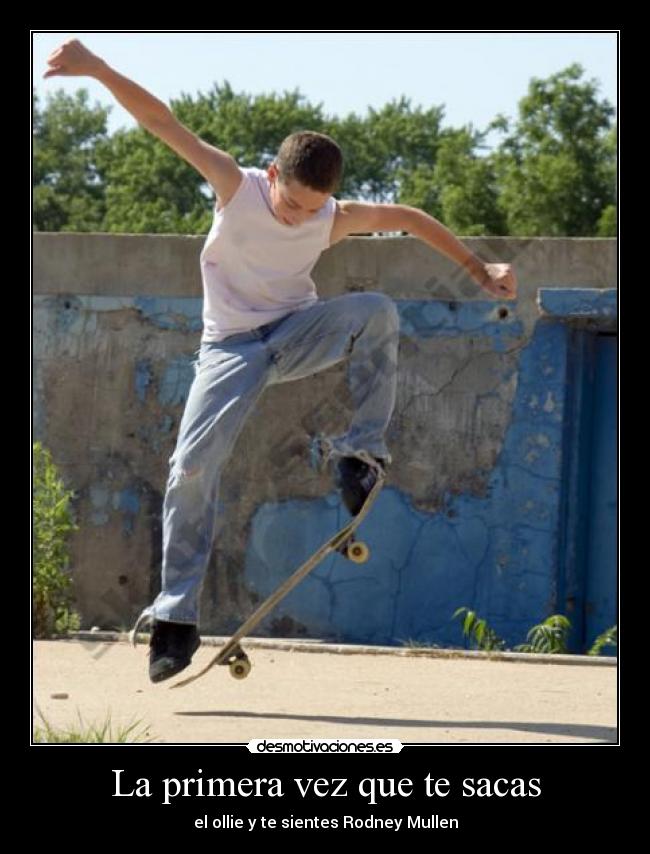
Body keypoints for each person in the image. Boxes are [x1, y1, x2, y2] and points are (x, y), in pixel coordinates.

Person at [44, 39, 518, 682]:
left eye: (312, 209)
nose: (300, 218)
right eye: (291, 203)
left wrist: (479, 267)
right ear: (273, 174)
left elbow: (408, 217)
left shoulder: (332, 216)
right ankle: (175, 619)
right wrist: (99, 70)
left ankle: (360, 454)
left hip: (296, 333)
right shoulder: (233, 185)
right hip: (229, 351)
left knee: (377, 310)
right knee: (191, 468)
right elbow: (161, 122)